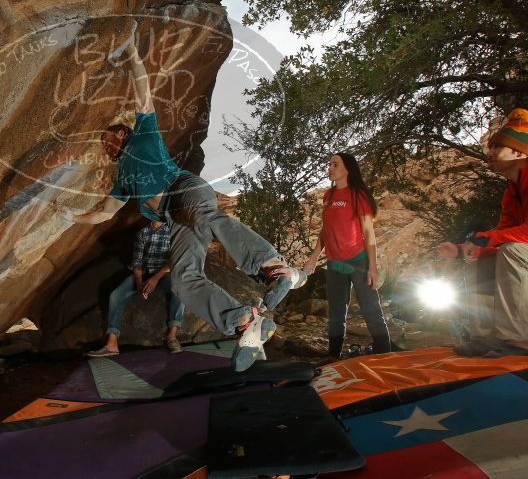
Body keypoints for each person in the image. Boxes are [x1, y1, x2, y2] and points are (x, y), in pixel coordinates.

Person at [65, 20, 306, 371]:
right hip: (174, 219)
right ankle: (242, 322)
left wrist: (131, 48)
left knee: (208, 217)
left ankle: (272, 266)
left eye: (113, 134)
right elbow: (104, 212)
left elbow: (142, 88)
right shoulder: (122, 180)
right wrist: (70, 217)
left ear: (124, 131)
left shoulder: (144, 131)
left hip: (186, 190)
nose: (109, 140)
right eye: (105, 142)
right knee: (182, 279)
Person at [436, 108, 528, 356]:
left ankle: (519, 338)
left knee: (512, 252)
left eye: (497, 147)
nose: (489, 153)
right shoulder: (512, 190)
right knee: (479, 259)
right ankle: (486, 335)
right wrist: (467, 249)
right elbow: (506, 232)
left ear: (519, 151)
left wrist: (487, 238)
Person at [303, 153, 392, 359]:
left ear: (347, 169)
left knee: (370, 309)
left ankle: (385, 354)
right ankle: (333, 355)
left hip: (358, 260)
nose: (330, 168)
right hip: (335, 263)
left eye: (335, 164)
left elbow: (368, 233)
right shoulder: (328, 196)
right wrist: (314, 256)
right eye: (329, 164)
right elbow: (326, 230)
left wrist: (373, 267)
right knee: (336, 313)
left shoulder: (357, 195)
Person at [87, 220, 185, 357]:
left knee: (181, 289)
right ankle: (112, 344)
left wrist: (155, 279)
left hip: (164, 273)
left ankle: (172, 336)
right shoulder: (143, 232)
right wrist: (139, 283)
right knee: (115, 295)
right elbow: (137, 262)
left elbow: (175, 261)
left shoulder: (173, 231)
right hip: (144, 272)